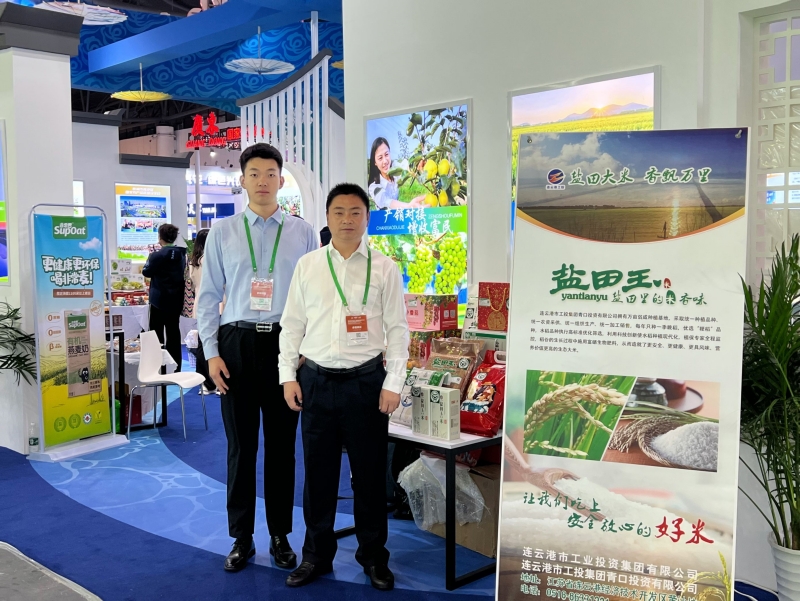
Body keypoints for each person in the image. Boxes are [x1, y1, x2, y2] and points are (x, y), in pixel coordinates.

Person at [279, 182, 410, 591]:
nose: (347, 220)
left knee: (369, 477)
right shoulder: (309, 266)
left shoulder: (384, 268)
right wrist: (287, 375)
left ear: (367, 218)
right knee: (318, 476)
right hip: (316, 381)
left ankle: (373, 557)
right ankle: (316, 555)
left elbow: (398, 331)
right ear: (328, 217)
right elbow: (292, 325)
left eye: (355, 212)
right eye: (339, 212)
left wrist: (393, 383)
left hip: (366, 383)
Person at [196, 143, 317, 574]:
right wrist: (211, 354)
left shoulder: (303, 233)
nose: (263, 181)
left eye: (270, 174)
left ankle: (281, 535)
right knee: (240, 447)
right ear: (242, 180)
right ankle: (241, 538)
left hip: (286, 346)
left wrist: (304, 349)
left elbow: (313, 298)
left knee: (283, 448)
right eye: (254, 174)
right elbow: (208, 297)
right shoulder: (223, 232)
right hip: (237, 345)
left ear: (281, 181)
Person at [142, 223, 186, 370]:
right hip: (176, 299)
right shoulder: (182, 254)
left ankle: (157, 367)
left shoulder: (157, 255)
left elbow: (146, 272)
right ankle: (176, 367)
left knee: (156, 333)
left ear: (160, 237)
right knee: (174, 332)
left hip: (158, 300)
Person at [188, 229, 217, 395]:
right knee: (212, 342)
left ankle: (205, 382)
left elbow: (193, 284)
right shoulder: (209, 259)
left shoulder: (194, 261)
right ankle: (211, 382)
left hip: (199, 302)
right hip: (214, 304)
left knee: (203, 340)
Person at [367, 137, 422, 210]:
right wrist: (409, 206)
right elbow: (386, 202)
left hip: (397, 213)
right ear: (375, 162)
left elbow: (406, 166)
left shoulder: (394, 168)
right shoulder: (374, 187)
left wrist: (418, 163)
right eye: (380, 158)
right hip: (385, 216)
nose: (385, 161)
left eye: (386, 154)